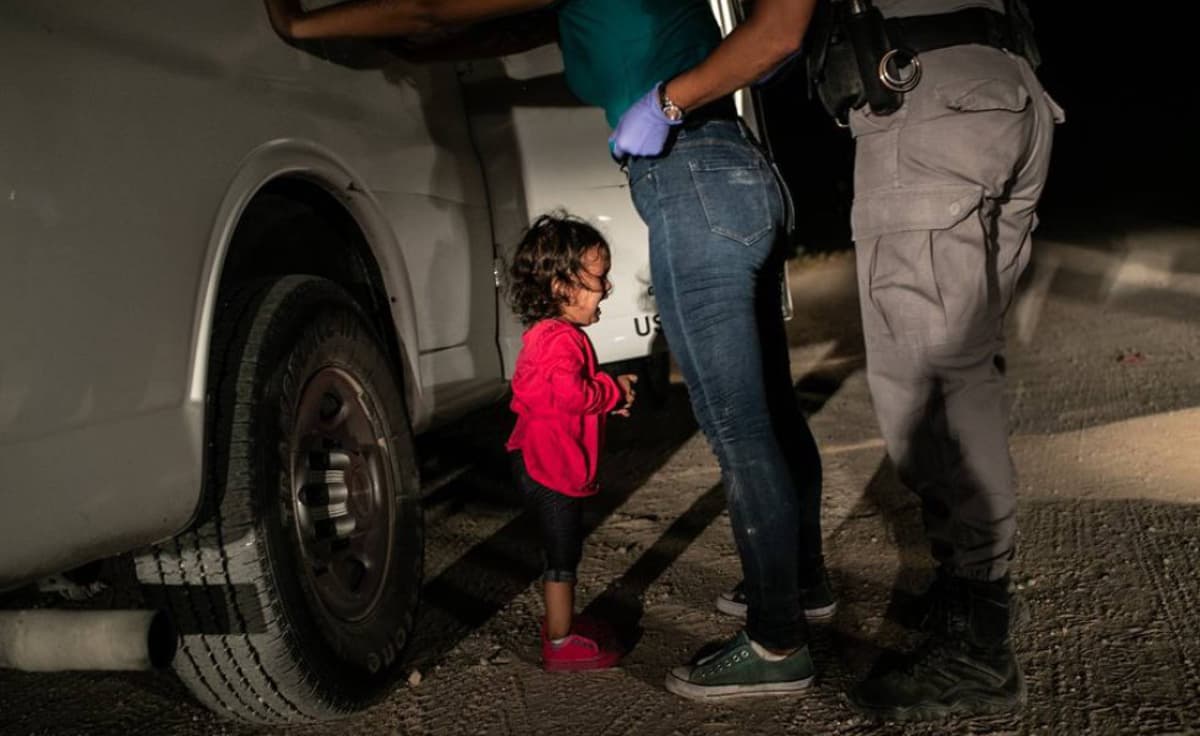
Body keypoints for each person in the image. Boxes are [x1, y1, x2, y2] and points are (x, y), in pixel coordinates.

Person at [264, 0, 833, 700]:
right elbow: (491, 30)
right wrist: (416, 54)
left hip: (691, 177)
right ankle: (799, 584)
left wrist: (299, 24)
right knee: (770, 412)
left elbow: (430, 8)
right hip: (737, 171)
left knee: (740, 427)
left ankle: (777, 640)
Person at [623, 0, 1061, 720]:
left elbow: (780, 27)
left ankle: (977, 649)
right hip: (1007, 88)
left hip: (930, 107)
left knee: (931, 393)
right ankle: (965, 598)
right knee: (968, 374)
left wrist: (669, 99)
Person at [505, 213, 636, 671]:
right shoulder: (560, 340)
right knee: (562, 555)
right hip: (551, 469)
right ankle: (560, 643)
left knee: (559, 551)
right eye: (599, 278)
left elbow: (555, 395)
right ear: (563, 287)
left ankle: (562, 625)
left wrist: (605, 398)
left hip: (536, 460)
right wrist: (612, 391)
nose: (607, 288)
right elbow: (569, 393)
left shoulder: (547, 336)